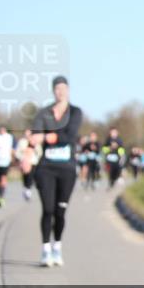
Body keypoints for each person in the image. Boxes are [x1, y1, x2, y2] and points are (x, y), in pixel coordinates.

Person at [31, 76, 83, 267]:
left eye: (63, 88)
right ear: (53, 91)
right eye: (57, 89)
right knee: (47, 209)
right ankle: (45, 250)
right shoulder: (44, 113)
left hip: (67, 169)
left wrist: (46, 136)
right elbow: (33, 136)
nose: (60, 92)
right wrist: (35, 145)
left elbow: (69, 135)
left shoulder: (75, 112)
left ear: (68, 90)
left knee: (60, 212)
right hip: (46, 168)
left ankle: (57, 247)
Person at [14, 128, 40, 201]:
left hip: (33, 162)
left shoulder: (35, 141)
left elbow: (39, 152)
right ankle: (26, 188)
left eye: (29, 133)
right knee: (25, 176)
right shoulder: (21, 142)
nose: (27, 135)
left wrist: (34, 151)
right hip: (24, 162)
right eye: (26, 133)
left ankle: (28, 190)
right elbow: (17, 152)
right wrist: (21, 157)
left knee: (30, 176)